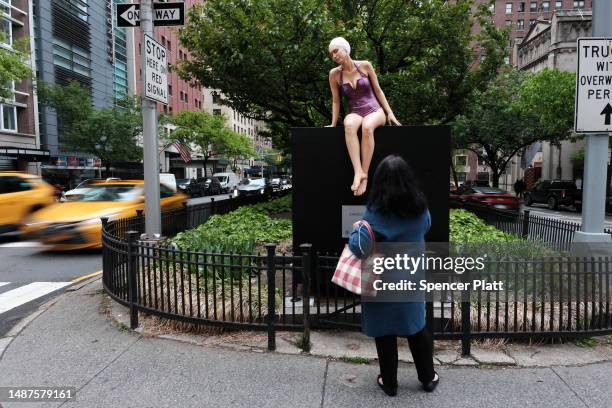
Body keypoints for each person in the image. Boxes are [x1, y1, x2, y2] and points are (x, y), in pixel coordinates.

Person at [347, 155, 438, 397]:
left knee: (385, 332)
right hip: (411, 280)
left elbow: (358, 248)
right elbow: (426, 227)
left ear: (379, 182)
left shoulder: (373, 214)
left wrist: (357, 229)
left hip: (381, 283)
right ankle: (428, 379)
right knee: (417, 329)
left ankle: (390, 384)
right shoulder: (421, 211)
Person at [327, 37, 401, 196]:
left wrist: (390, 112)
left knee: (367, 127)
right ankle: (358, 172)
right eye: (331, 54)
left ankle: (365, 176)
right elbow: (335, 101)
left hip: (375, 110)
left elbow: (378, 91)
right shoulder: (334, 75)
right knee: (348, 124)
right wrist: (333, 123)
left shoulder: (365, 65)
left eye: (335, 51)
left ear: (345, 49)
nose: (334, 56)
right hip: (356, 111)